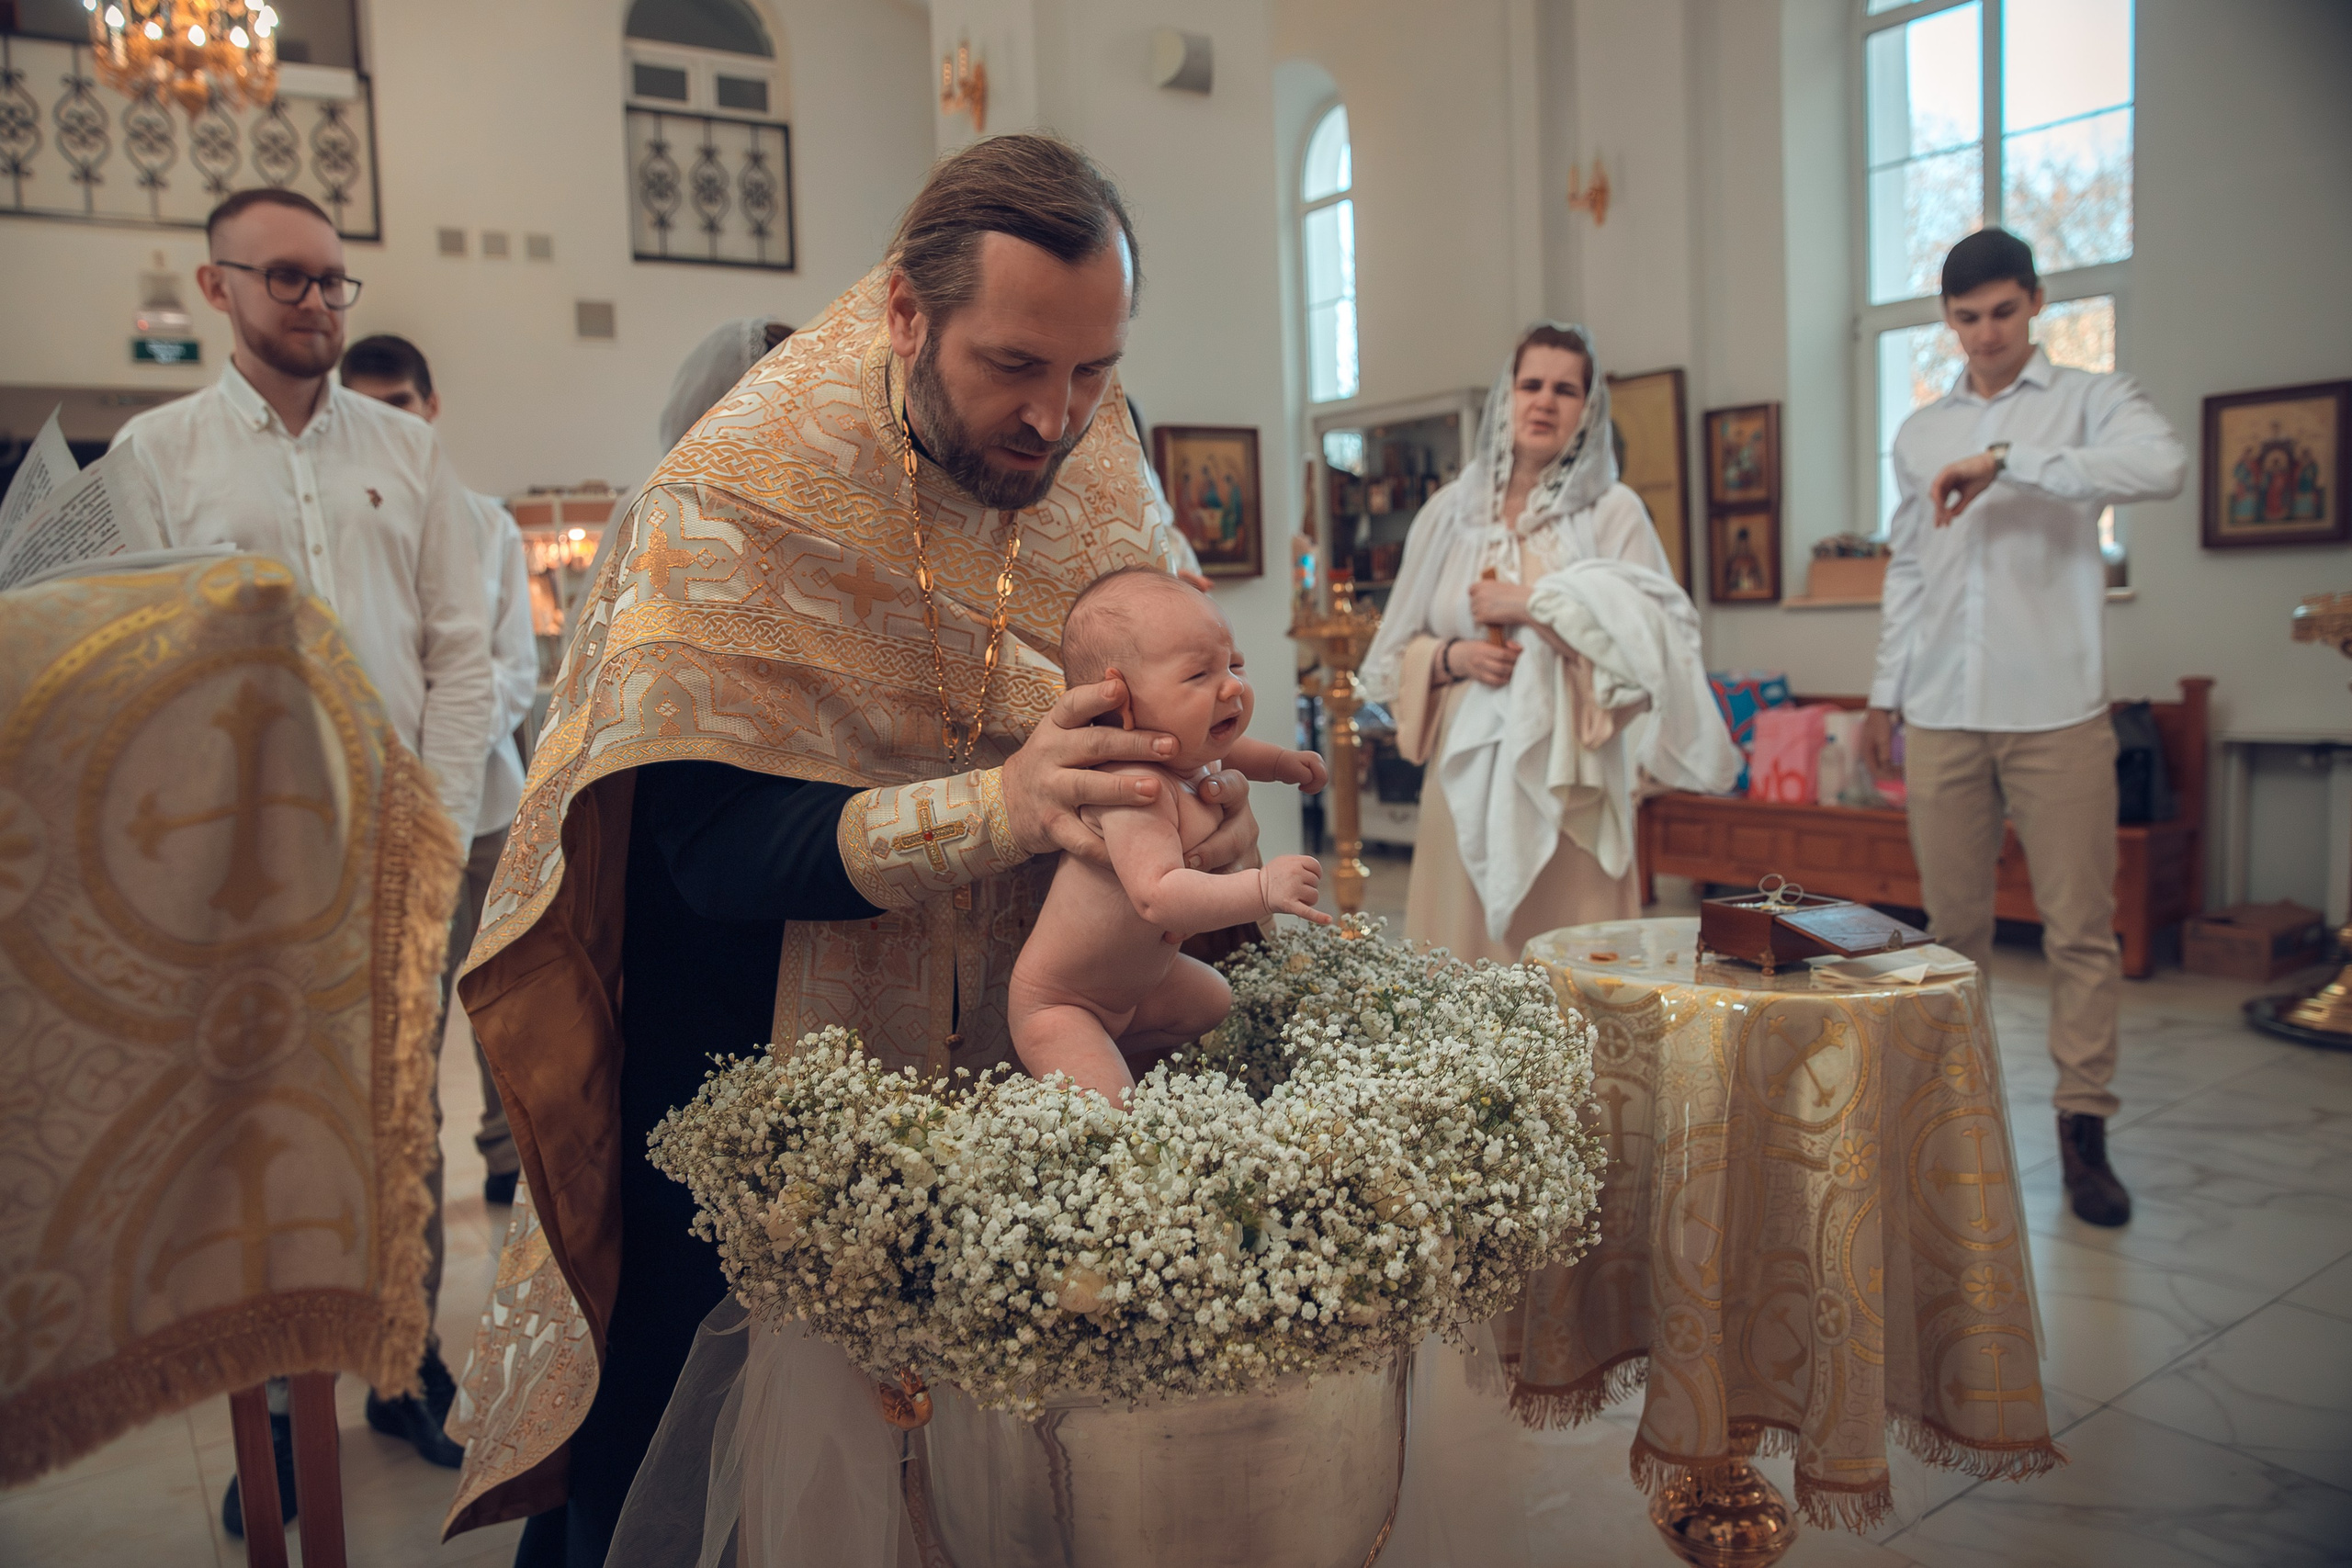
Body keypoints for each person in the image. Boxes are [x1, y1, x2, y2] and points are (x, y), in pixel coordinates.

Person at [440, 135, 1281, 1565]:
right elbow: (702, 849)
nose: (1058, 416)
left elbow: (1147, 736)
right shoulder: (726, 507)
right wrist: (1003, 806)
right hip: (758, 1076)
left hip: (1011, 1067)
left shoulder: (1100, 481)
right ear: (906, 312)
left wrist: (1200, 802)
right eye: (1016, 364)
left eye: (1093, 371)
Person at [109, 187, 494, 1529]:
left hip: (397, 841)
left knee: (400, 1116)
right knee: (258, 1135)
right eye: (289, 279)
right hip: (241, 864)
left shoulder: (410, 449)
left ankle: (402, 1362)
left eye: (337, 282)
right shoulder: (155, 457)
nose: (321, 304)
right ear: (217, 289)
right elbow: (139, 670)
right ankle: (275, 1407)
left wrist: (434, 821)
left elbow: (463, 649)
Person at [1862, 226, 2186, 1229]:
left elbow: (2162, 467)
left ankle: (2081, 1135)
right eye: (1966, 318)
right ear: (1945, 321)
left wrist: (2010, 459)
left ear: (2034, 302)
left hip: (2057, 711)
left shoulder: (2091, 402)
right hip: (1945, 715)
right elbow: (1910, 568)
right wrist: (1885, 693)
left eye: (2003, 311)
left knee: (2079, 933)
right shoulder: (1918, 432)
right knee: (1950, 933)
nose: (1986, 333)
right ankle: (1952, 1127)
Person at [1360, 322, 1727, 964]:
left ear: (1589, 410)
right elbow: (1392, 655)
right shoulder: (1450, 513)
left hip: (1571, 779)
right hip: (1462, 763)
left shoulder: (1611, 512)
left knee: (1568, 962)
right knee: (1464, 958)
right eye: (1530, 384)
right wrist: (1454, 657)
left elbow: (1660, 644)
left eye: (1565, 389)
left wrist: (1530, 606)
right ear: (1506, 397)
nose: (1544, 401)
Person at [339, 335, 541, 1207]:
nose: (387, 423)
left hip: (485, 799)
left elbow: (510, 671)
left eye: (400, 405)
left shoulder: (485, 522)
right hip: (377, 803)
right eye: (367, 407)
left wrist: (441, 740)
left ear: (430, 408)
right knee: (404, 1003)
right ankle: (401, 1184)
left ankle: (508, 1152)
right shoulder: (347, 525)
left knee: (498, 988)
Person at [1011, 569, 1329, 1104]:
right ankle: (1101, 1069)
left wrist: (1283, 762)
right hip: (1064, 1003)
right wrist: (1261, 888)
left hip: (1141, 987)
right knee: (1113, 1115)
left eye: (1234, 664)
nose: (1231, 685)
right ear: (1120, 701)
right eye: (1199, 674)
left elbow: (1235, 751)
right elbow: (1158, 897)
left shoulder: (1183, 749)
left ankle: (1127, 1050)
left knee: (1211, 999)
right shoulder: (1131, 787)